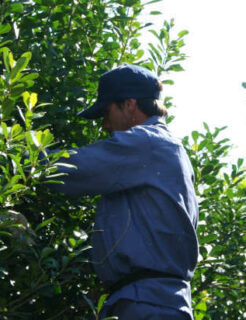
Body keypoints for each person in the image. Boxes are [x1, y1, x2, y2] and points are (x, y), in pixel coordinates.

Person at [49, 63, 198, 320]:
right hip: (152, 301)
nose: (105, 125)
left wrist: (10, 156)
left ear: (129, 104)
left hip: (148, 304)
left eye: (107, 113)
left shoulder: (146, 142)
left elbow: (73, 168)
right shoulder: (167, 148)